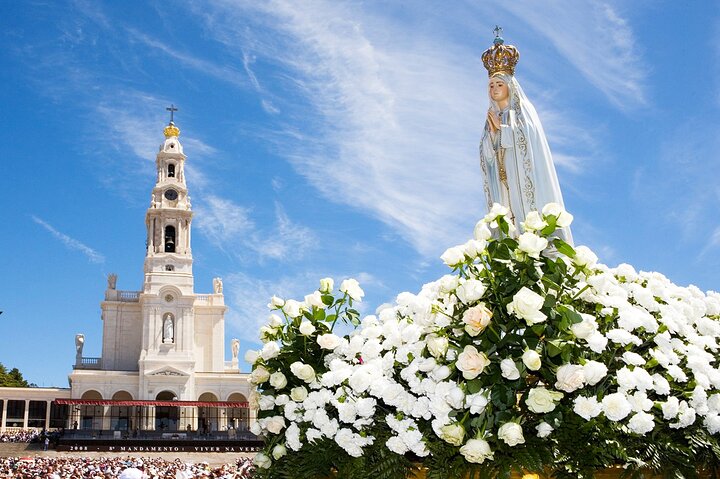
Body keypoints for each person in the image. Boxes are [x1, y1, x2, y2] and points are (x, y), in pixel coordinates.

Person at [479, 28, 572, 244]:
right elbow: (487, 156)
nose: (494, 89)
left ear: (510, 87)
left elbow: (529, 139)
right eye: (491, 85)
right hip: (503, 186)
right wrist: (492, 137)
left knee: (529, 226)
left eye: (499, 84)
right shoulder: (491, 117)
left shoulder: (522, 112)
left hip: (523, 182)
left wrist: (503, 132)